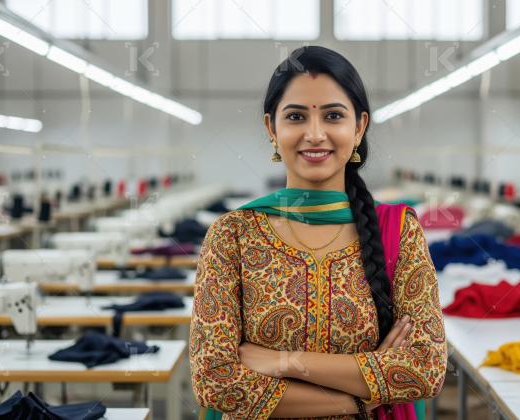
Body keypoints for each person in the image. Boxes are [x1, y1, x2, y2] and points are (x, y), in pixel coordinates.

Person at [190, 46, 447, 419]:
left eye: (333, 116)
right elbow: (214, 381)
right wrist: (361, 398)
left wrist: (284, 362)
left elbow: (425, 369)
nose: (314, 134)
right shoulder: (233, 235)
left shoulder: (398, 231)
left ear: (358, 127)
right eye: (295, 116)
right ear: (271, 128)